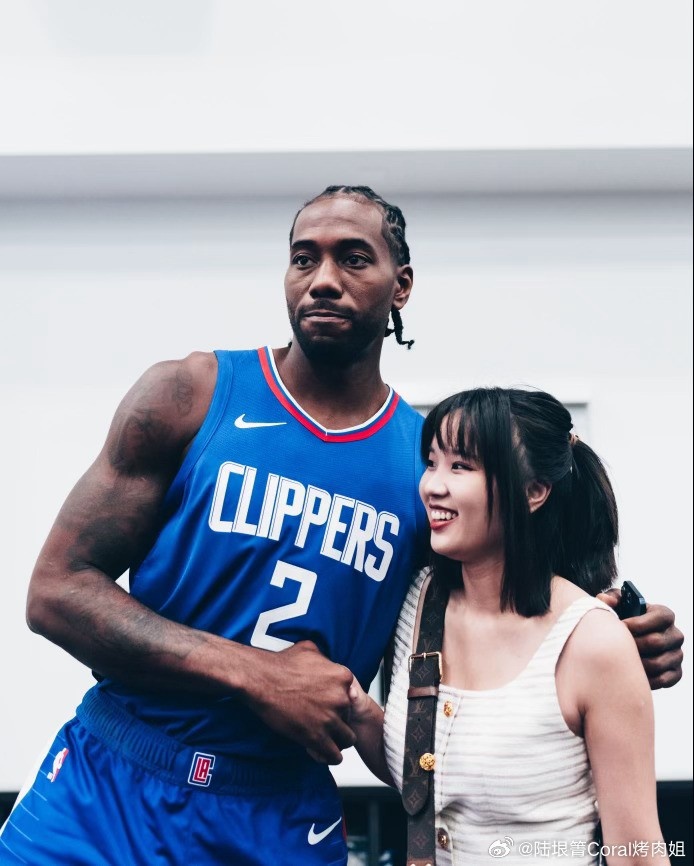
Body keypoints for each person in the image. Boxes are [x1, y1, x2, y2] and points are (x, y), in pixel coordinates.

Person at [0, 187, 682, 866]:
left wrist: (609, 648)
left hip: (275, 809)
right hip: (110, 787)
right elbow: (55, 592)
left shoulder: (423, 471)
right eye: (304, 258)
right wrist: (255, 674)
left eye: (353, 258)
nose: (323, 279)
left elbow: (500, 614)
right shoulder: (191, 394)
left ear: (401, 285)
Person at [349, 388, 671, 865]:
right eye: (432, 463)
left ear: (533, 491)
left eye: (461, 466)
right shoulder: (419, 601)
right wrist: (357, 711)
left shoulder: (592, 642)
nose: (432, 485)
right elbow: (426, 780)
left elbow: (637, 852)